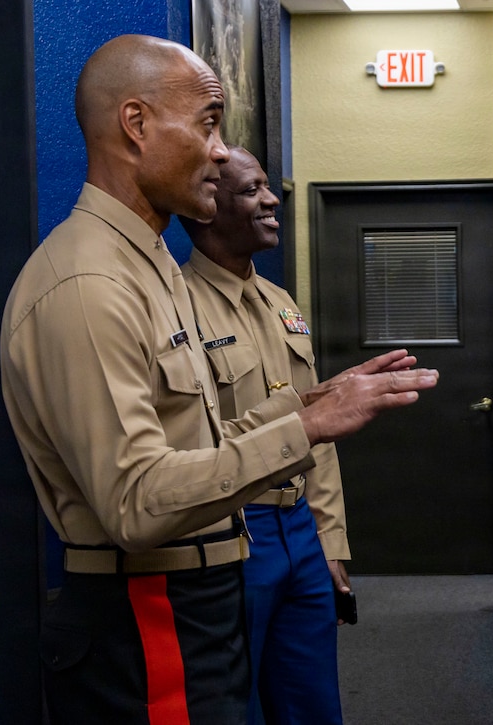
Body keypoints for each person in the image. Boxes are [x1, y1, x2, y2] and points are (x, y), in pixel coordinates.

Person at [0, 34, 437, 724]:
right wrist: (305, 426)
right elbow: (136, 501)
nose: (221, 151)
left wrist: (308, 404)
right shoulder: (90, 283)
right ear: (136, 124)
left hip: (200, 593)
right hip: (147, 608)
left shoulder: (148, 269)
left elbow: (195, 443)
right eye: (207, 125)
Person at [180, 146, 349, 724]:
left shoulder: (281, 302)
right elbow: (188, 442)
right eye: (252, 190)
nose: (273, 200)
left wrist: (330, 540)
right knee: (235, 705)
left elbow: (319, 432)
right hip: (233, 527)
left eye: (267, 187)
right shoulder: (176, 309)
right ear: (208, 207)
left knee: (312, 702)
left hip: (300, 526)